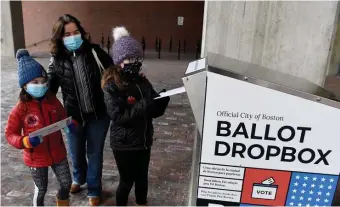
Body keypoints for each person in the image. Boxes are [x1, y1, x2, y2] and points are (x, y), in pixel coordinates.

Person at [47, 14, 113, 206]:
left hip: (99, 114)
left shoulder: (95, 53)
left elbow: (113, 73)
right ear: (59, 37)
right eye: (67, 34)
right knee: (75, 151)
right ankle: (78, 178)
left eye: (76, 32)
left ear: (81, 33)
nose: (73, 37)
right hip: (72, 117)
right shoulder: (57, 60)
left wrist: (131, 75)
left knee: (94, 152)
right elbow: (50, 89)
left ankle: (93, 188)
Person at [101, 26, 170, 206]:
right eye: (129, 59)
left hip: (144, 140)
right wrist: (144, 103)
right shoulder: (111, 86)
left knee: (142, 178)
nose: (134, 62)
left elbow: (153, 111)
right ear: (119, 61)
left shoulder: (142, 81)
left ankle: (141, 203)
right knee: (127, 180)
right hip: (124, 144)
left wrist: (161, 101)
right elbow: (119, 117)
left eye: (137, 58)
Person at [5, 49, 74, 206]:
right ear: (24, 86)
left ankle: (62, 202)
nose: (41, 85)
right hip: (36, 157)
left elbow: (62, 116)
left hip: (57, 152)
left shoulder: (52, 100)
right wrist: (25, 141)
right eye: (35, 82)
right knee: (41, 189)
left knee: (66, 183)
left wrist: (69, 125)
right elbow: (10, 134)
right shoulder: (20, 109)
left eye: (43, 81)